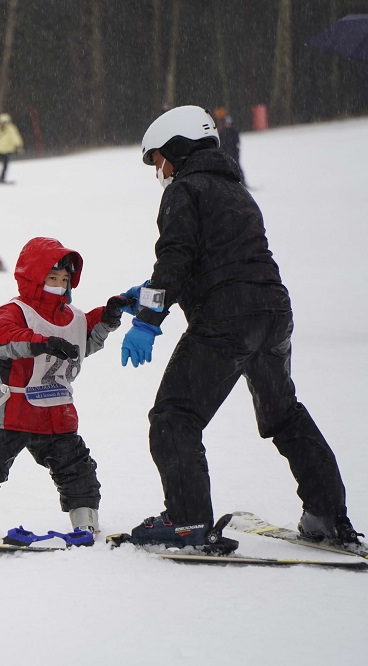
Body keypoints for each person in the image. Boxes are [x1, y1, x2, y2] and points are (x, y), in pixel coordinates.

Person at [121, 105, 362, 550]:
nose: (159, 170)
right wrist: (151, 290)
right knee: (284, 415)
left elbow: (174, 260)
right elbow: (217, 258)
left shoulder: (184, 190)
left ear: (178, 146)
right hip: (272, 313)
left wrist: (148, 320)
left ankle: (187, 522)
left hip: (225, 319)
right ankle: (326, 515)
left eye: (158, 159)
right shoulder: (235, 190)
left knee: (174, 418)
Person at [0, 237, 130, 539]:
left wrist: (107, 317)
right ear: (34, 277)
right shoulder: (14, 311)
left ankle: (85, 516)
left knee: (77, 467)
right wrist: (42, 343)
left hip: (58, 413)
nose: (58, 284)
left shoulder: (74, 317)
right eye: (52, 278)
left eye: (64, 279)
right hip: (15, 410)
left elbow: (83, 341)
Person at [216, 114, 246, 187]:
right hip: (226, 153)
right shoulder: (222, 132)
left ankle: (243, 182)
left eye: (229, 123)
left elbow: (237, 142)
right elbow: (221, 143)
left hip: (234, 152)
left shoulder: (233, 131)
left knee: (237, 167)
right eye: (227, 123)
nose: (228, 124)